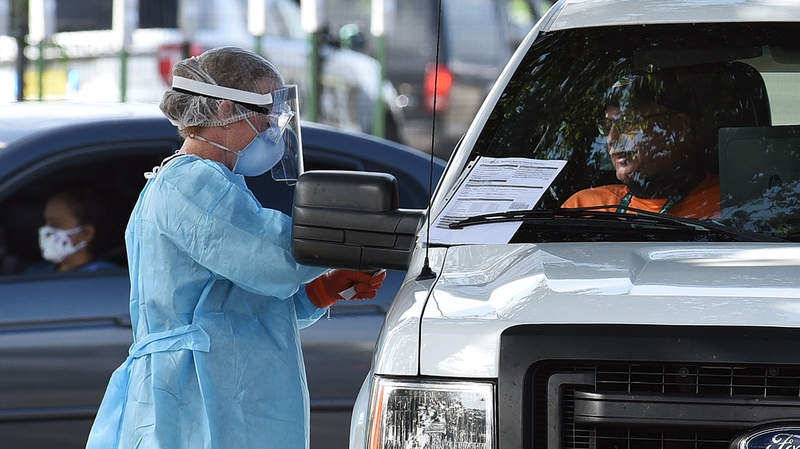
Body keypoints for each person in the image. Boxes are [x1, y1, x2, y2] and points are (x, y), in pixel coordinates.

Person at [86, 46, 386, 449]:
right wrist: (366, 233)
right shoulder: (191, 184)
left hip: (215, 388)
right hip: (196, 397)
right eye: (268, 114)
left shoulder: (218, 186)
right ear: (225, 110)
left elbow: (242, 306)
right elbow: (276, 257)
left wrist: (324, 289)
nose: (275, 128)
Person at [562, 73, 720, 218]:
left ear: (679, 128)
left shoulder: (732, 204)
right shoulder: (583, 208)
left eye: (629, 122)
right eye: (606, 126)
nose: (611, 138)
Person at [26, 187, 117, 274]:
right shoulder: (36, 273)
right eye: (45, 222)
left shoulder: (104, 277)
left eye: (55, 225)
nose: (46, 231)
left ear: (86, 233)